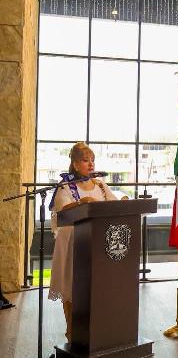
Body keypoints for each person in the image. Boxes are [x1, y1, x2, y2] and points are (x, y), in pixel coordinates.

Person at [48, 142, 119, 341]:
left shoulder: (100, 185)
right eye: (86, 160)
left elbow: (114, 204)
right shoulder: (66, 186)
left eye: (93, 160)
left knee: (95, 287)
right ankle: (72, 331)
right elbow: (62, 210)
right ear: (75, 164)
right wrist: (82, 202)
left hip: (97, 244)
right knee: (72, 286)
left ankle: (96, 331)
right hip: (72, 243)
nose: (91, 164)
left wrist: (123, 202)